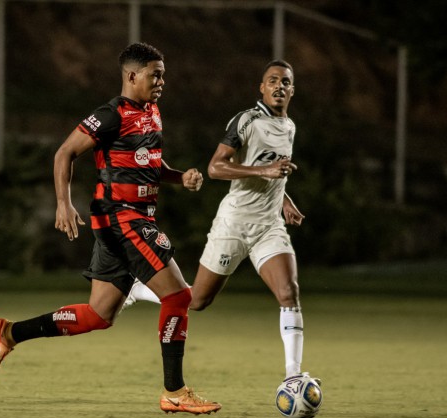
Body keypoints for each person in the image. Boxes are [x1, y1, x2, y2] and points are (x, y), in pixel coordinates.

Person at [0, 42, 221, 415]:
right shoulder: (111, 114)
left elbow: (148, 164)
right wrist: (63, 203)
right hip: (122, 218)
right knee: (178, 297)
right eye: (154, 74)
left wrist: (180, 178)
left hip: (130, 218)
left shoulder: (153, 113)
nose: (161, 81)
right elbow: (64, 152)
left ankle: (11, 332)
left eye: (163, 74)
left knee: (98, 315)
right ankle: (174, 392)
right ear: (131, 75)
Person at [124, 60, 316, 384]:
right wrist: (264, 172)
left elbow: (274, 172)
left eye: (285, 82)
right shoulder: (246, 120)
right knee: (196, 301)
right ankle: (136, 289)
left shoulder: (290, 127)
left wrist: (284, 199)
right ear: (262, 87)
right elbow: (215, 168)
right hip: (235, 224)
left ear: (292, 90)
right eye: (272, 81)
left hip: (269, 226)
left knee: (288, 291)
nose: (279, 86)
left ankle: (293, 377)